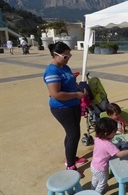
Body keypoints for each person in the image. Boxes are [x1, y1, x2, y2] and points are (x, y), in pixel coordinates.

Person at [43, 41, 88, 175]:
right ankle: (71, 166)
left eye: (69, 56)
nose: (68, 58)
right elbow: (56, 94)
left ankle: (70, 157)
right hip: (62, 108)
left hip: (73, 104)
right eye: (65, 56)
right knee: (74, 135)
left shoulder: (64, 67)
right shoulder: (52, 71)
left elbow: (70, 82)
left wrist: (79, 88)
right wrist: (76, 94)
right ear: (55, 55)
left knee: (71, 134)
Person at [91, 117, 128, 194]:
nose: (115, 133)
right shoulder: (108, 144)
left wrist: (115, 145)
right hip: (101, 168)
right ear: (106, 133)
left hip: (94, 166)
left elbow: (105, 148)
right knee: (102, 184)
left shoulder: (97, 138)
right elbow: (119, 154)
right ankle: (95, 193)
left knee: (95, 178)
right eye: (114, 131)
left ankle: (91, 190)